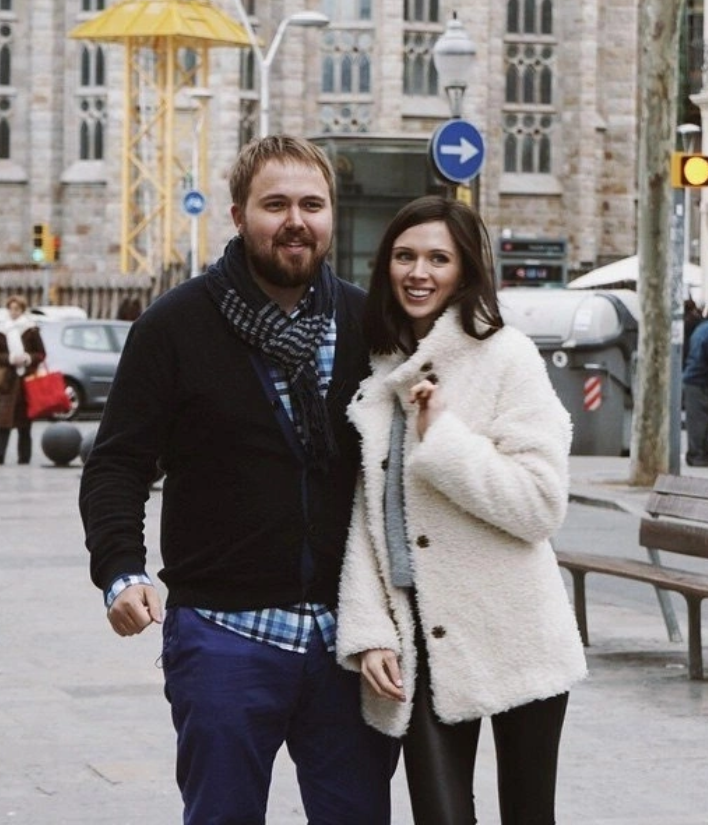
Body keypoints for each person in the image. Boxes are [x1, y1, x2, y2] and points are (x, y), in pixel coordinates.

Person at [79, 135, 398, 825]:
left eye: (312, 205)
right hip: (224, 637)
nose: (295, 221)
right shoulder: (174, 326)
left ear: (332, 216)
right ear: (238, 215)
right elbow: (118, 463)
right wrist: (120, 569)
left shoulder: (366, 321)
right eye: (275, 204)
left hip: (350, 640)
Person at [336, 195, 588, 825]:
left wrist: (442, 441)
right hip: (424, 639)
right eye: (404, 256)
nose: (418, 272)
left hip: (517, 632)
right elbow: (367, 517)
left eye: (437, 259)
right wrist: (369, 633)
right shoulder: (381, 368)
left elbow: (539, 505)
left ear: (466, 270)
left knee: (528, 814)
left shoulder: (507, 356)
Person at [0, 294, 46, 465]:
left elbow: (41, 354)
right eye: (11, 309)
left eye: (17, 309)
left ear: (22, 310)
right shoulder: (2, 329)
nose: (13, 312)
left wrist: (28, 358)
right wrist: (10, 358)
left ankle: (24, 458)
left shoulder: (31, 330)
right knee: (3, 422)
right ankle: (0, 456)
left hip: (26, 381)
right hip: (6, 382)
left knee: (25, 423)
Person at [683, 314, 708, 466]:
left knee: (697, 422)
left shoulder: (701, 329)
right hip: (699, 380)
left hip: (694, 379)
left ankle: (698, 455)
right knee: (699, 423)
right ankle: (697, 456)